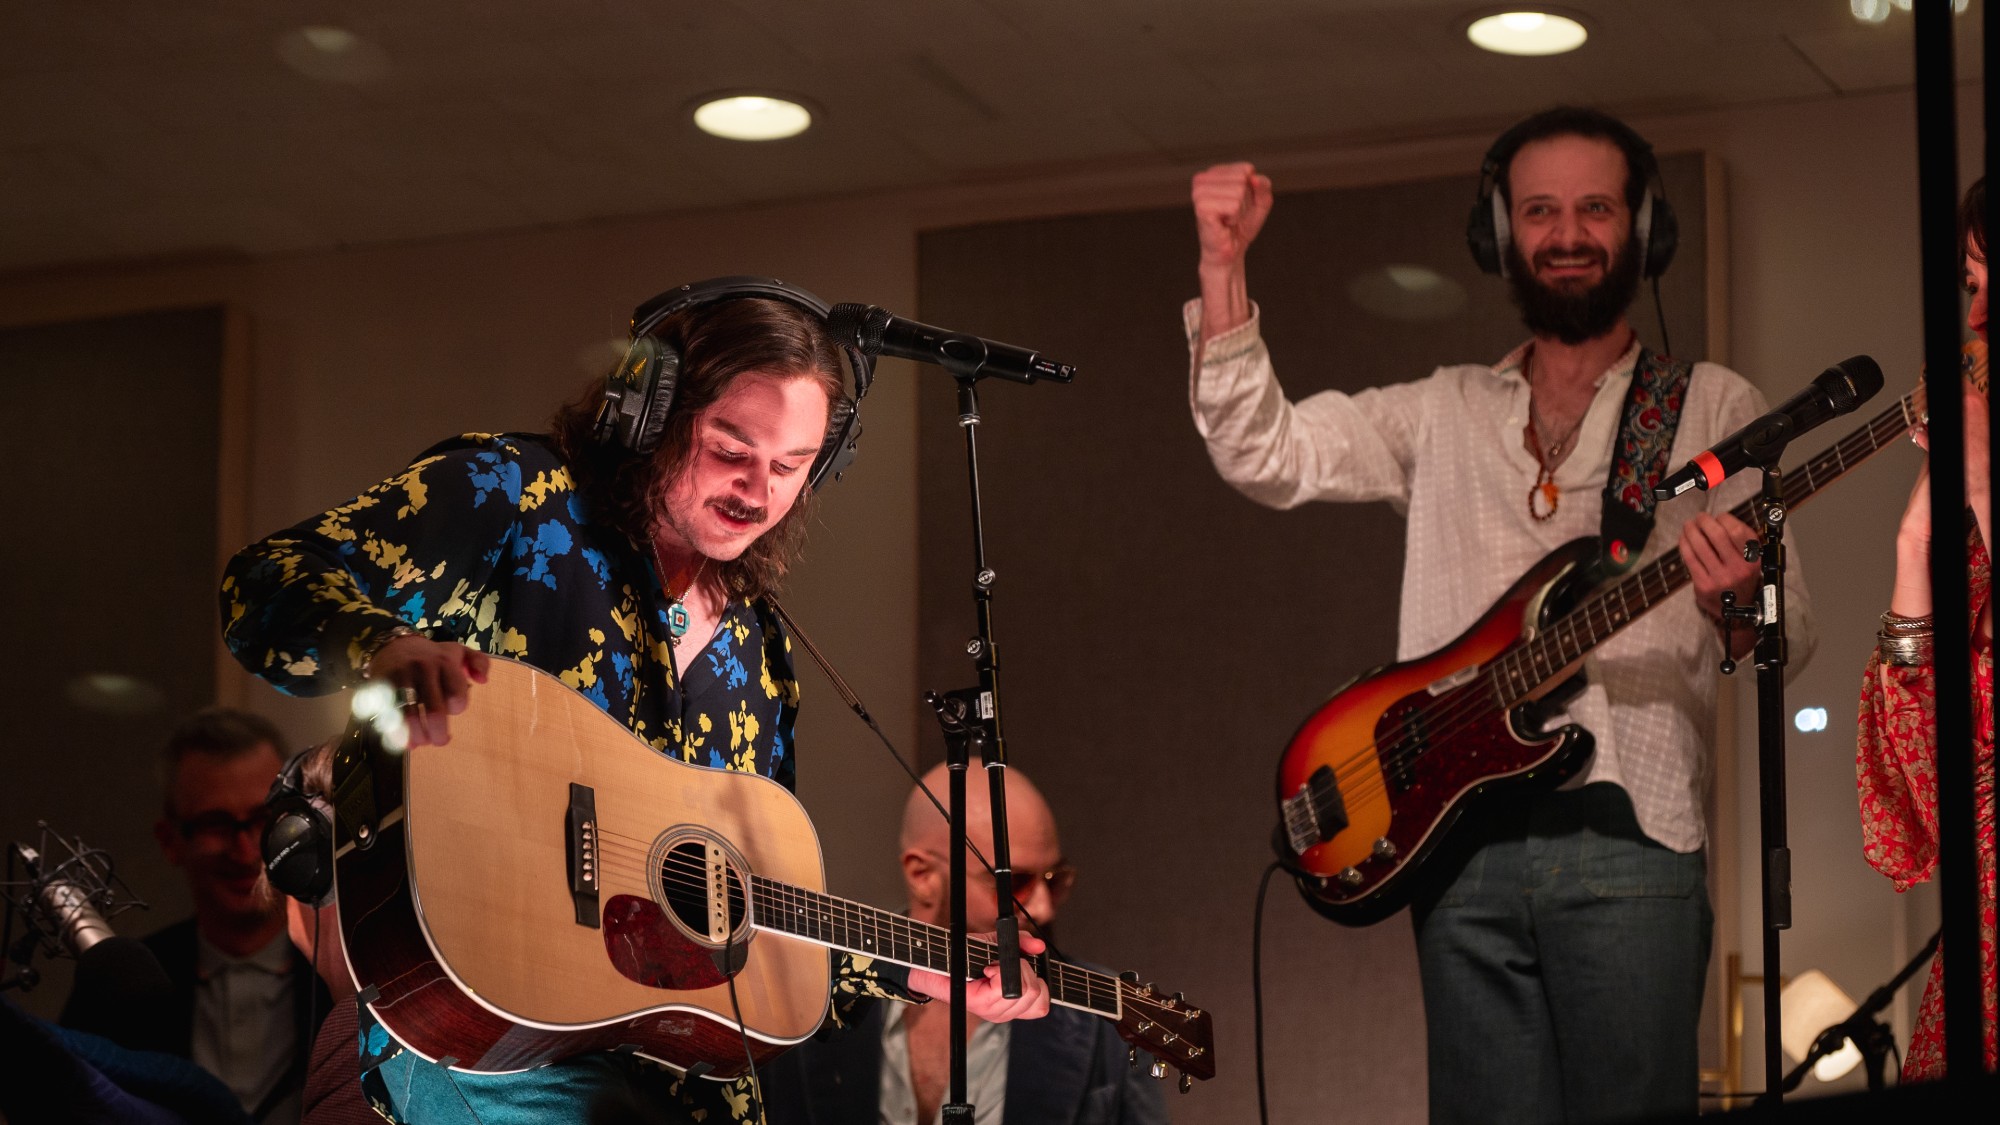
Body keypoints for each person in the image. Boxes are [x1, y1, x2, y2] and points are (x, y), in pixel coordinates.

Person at [217, 279, 1049, 1124]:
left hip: (680, 1079)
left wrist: (919, 970)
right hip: (494, 1044)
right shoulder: (515, 498)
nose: (757, 489)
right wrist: (382, 647)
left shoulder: (759, 652)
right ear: (650, 413)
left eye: (790, 466)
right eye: (730, 447)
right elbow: (264, 584)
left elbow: (746, 924)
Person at [1186, 107, 1813, 1122]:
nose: (1566, 234)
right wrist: (1222, 269)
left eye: (1594, 208)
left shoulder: (1709, 407)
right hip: (1454, 845)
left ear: (1642, 227)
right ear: (1499, 232)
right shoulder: (1443, 407)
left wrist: (1737, 601)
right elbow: (1266, 453)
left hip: (1630, 841)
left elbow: (1790, 628)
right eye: (1538, 211)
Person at [762, 764, 1170, 1125]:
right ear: (922, 876)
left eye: (1056, 880)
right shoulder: (804, 991)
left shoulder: (1106, 1018)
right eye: (1016, 883)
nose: (1044, 908)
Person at [1855, 177, 1997, 1080]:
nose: (1976, 318)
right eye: (1972, 284)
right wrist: (1915, 541)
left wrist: (1978, 478)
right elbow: (1914, 809)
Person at [61, 707, 329, 1124]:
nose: (245, 852)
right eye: (215, 824)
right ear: (170, 841)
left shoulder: (343, 978)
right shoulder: (119, 990)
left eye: (262, 820)